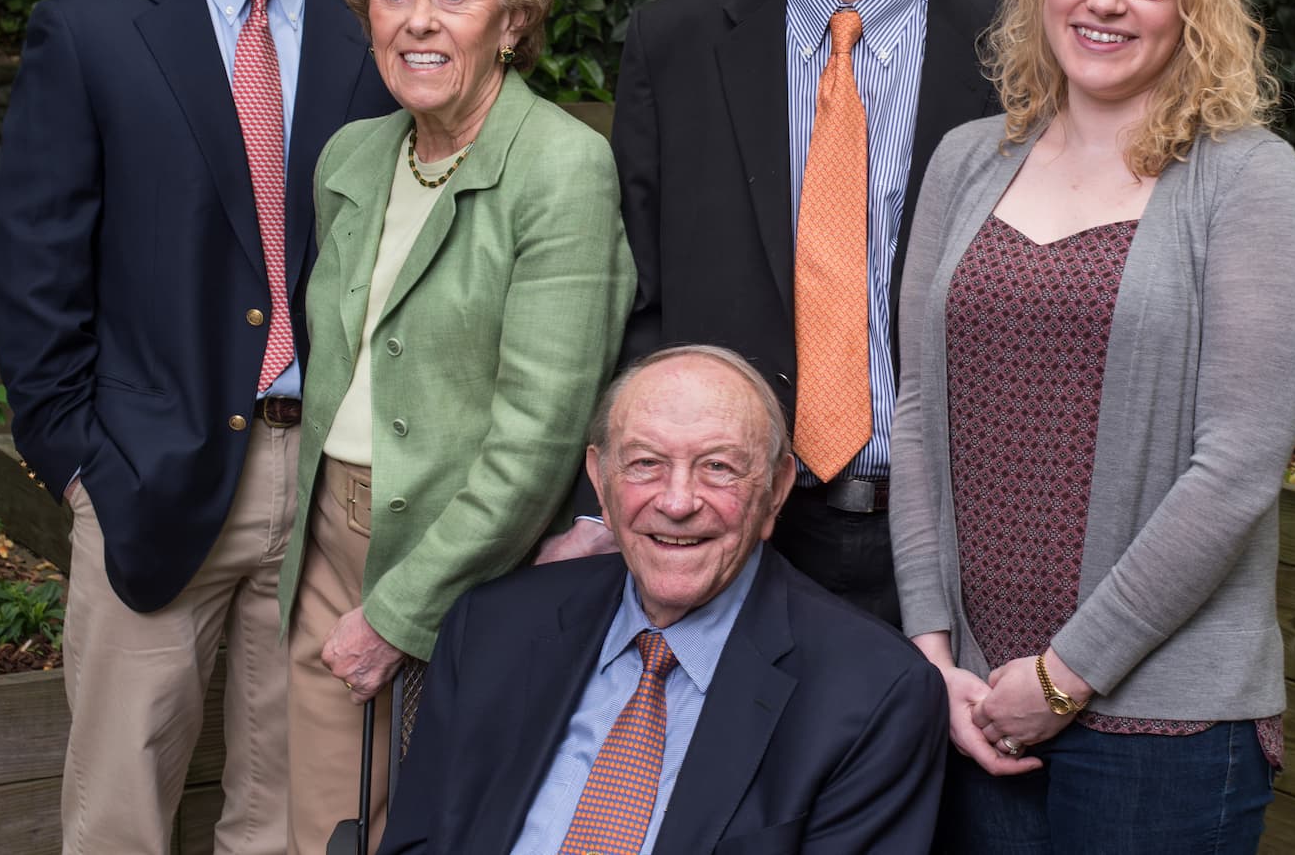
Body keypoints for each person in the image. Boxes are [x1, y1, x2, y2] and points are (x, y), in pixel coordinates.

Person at [0, 0, 397, 854]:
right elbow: (33, 268)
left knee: (295, 818)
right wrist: (75, 462)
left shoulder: (386, 30)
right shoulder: (91, 32)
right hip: (143, 479)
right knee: (119, 812)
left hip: (334, 486)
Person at [889, 0, 1295, 852]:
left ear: (1193, 3)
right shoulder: (967, 160)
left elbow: (1234, 471)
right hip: (974, 698)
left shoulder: (1247, 183)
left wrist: (1062, 675)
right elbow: (918, 411)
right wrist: (933, 649)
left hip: (1162, 732)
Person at [540, 0, 1000, 626]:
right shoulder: (674, 47)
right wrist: (605, 504)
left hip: (950, 543)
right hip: (724, 534)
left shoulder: (1014, 57)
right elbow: (637, 304)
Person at [277, 0, 636, 853]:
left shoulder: (562, 167)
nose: (418, 21)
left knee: (448, 829)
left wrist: (399, 610)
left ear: (511, 19)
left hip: (476, 563)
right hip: (329, 538)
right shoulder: (350, 157)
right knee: (327, 829)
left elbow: (538, 436)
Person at [383, 345, 948, 855]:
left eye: (718, 467)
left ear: (777, 490)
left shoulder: (877, 695)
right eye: (646, 463)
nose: (678, 502)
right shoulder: (490, 628)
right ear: (600, 480)